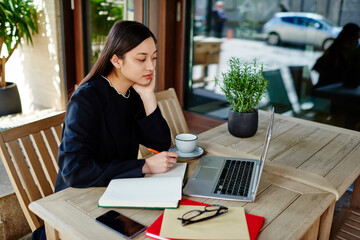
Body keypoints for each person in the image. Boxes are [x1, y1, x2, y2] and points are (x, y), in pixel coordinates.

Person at [31, 20, 178, 240]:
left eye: (154, 58)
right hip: (78, 203)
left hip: (115, 196)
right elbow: (73, 171)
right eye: (141, 59)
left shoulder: (133, 92)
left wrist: (148, 96)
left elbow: (160, 144)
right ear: (116, 60)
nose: (151, 67)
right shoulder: (87, 100)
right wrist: (144, 165)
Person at [313, 23, 360, 89]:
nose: (357, 42)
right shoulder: (337, 53)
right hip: (328, 90)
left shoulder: (335, 49)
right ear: (349, 38)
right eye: (356, 38)